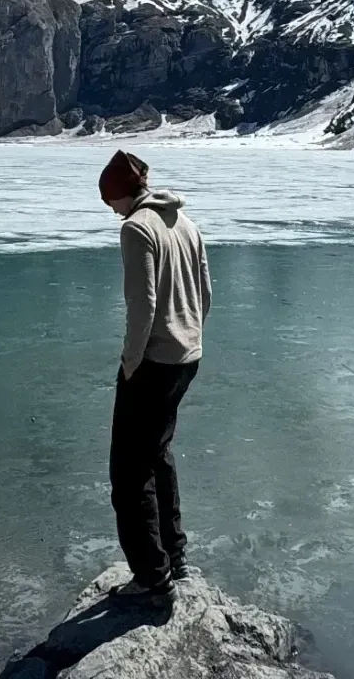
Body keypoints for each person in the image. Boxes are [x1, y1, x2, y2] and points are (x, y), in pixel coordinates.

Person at [98, 149, 212, 600]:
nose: (111, 210)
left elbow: (142, 306)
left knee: (128, 473)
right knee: (158, 454)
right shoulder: (185, 223)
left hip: (154, 362)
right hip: (187, 357)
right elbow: (205, 291)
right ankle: (175, 557)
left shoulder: (136, 229)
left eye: (109, 201)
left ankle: (151, 577)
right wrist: (190, 334)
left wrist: (131, 361)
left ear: (120, 194)